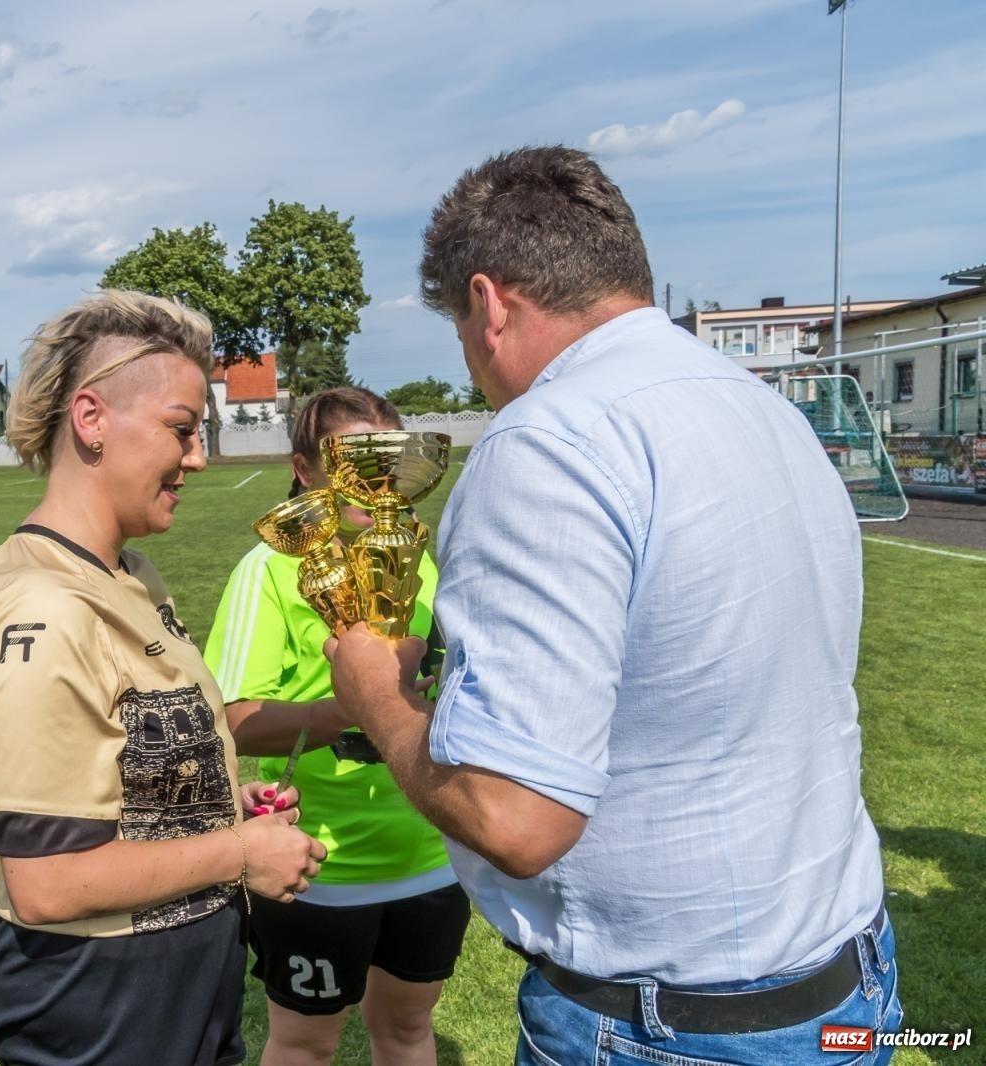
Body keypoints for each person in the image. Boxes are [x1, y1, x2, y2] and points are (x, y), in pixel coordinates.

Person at [327, 146, 900, 1064]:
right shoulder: (766, 409)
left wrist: (373, 691)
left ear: (489, 303)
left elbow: (515, 817)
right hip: (843, 982)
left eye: (461, 334)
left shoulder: (550, 440)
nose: (474, 364)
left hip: (669, 1022)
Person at [0, 289, 327, 1066]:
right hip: (102, 1008)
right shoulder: (45, 605)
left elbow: (125, 765)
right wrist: (238, 853)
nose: (196, 457)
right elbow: (45, 882)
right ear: (91, 420)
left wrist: (216, 805)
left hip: (180, 990)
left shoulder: (129, 573)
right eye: (181, 430)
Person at [203, 386, 469, 1066]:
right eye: (348, 459)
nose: (372, 479)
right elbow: (229, 721)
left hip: (431, 855)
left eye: (387, 458)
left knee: (407, 1032)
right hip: (318, 863)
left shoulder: (414, 560)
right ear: (304, 468)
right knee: (306, 1044)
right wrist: (356, 708)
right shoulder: (270, 569)